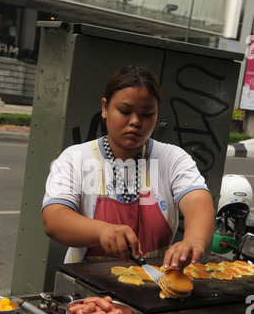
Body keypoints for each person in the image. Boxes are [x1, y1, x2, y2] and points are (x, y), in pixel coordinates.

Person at [42, 64, 215, 270]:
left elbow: (198, 200)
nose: (135, 122)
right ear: (105, 108)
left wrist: (194, 241)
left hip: (154, 286)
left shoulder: (172, 158)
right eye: (125, 111)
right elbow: (54, 218)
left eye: (147, 113)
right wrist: (101, 231)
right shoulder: (76, 158)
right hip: (89, 289)